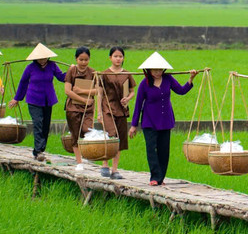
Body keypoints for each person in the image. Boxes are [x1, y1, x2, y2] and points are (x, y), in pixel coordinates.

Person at [130, 51, 198, 186]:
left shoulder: (168, 79)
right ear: (148, 70)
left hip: (165, 120)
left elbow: (181, 90)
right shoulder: (144, 84)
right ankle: (154, 177)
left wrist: (191, 79)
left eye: (160, 69)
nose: (157, 72)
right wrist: (133, 125)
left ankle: (160, 178)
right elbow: (138, 104)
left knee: (164, 150)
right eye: (155, 69)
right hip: (149, 121)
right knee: (151, 148)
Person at [11, 43, 65, 162]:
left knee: (46, 125)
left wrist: (73, 71)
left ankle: (40, 150)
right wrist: (17, 98)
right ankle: (38, 150)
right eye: (40, 58)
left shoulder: (52, 66)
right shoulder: (30, 68)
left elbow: (61, 77)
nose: (42, 60)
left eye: (44, 57)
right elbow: (23, 83)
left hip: (48, 100)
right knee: (38, 123)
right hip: (34, 99)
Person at [96, 47, 135, 179]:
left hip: (122, 110)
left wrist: (128, 98)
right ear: (110, 58)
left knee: (120, 140)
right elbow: (99, 94)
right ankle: (104, 164)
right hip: (108, 109)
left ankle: (115, 169)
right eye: (115, 56)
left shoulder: (127, 73)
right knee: (110, 135)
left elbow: (132, 91)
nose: (118, 59)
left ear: (123, 58)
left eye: (120, 56)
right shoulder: (104, 74)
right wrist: (99, 112)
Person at [63, 47, 96, 171]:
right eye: (81, 59)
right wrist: (83, 100)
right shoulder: (71, 71)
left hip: (88, 109)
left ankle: (84, 155)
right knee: (75, 134)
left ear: (89, 59)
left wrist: (83, 92)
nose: (83, 62)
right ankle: (79, 162)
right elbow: (68, 91)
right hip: (73, 108)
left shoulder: (93, 73)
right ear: (76, 59)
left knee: (87, 130)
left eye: (86, 59)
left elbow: (98, 90)